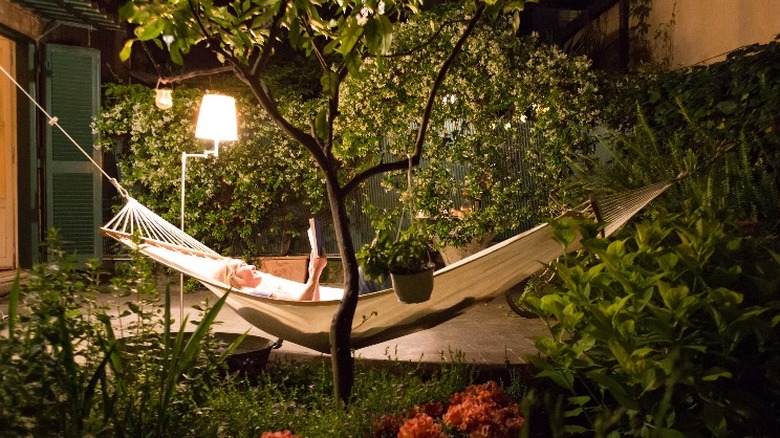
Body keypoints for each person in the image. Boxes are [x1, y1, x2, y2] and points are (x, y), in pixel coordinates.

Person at [217, 226, 328, 301]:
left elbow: (314, 304)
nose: (253, 266)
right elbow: (302, 304)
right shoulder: (253, 293)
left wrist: (314, 272)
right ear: (234, 278)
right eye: (243, 265)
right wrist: (315, 272)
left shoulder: (256, 293)